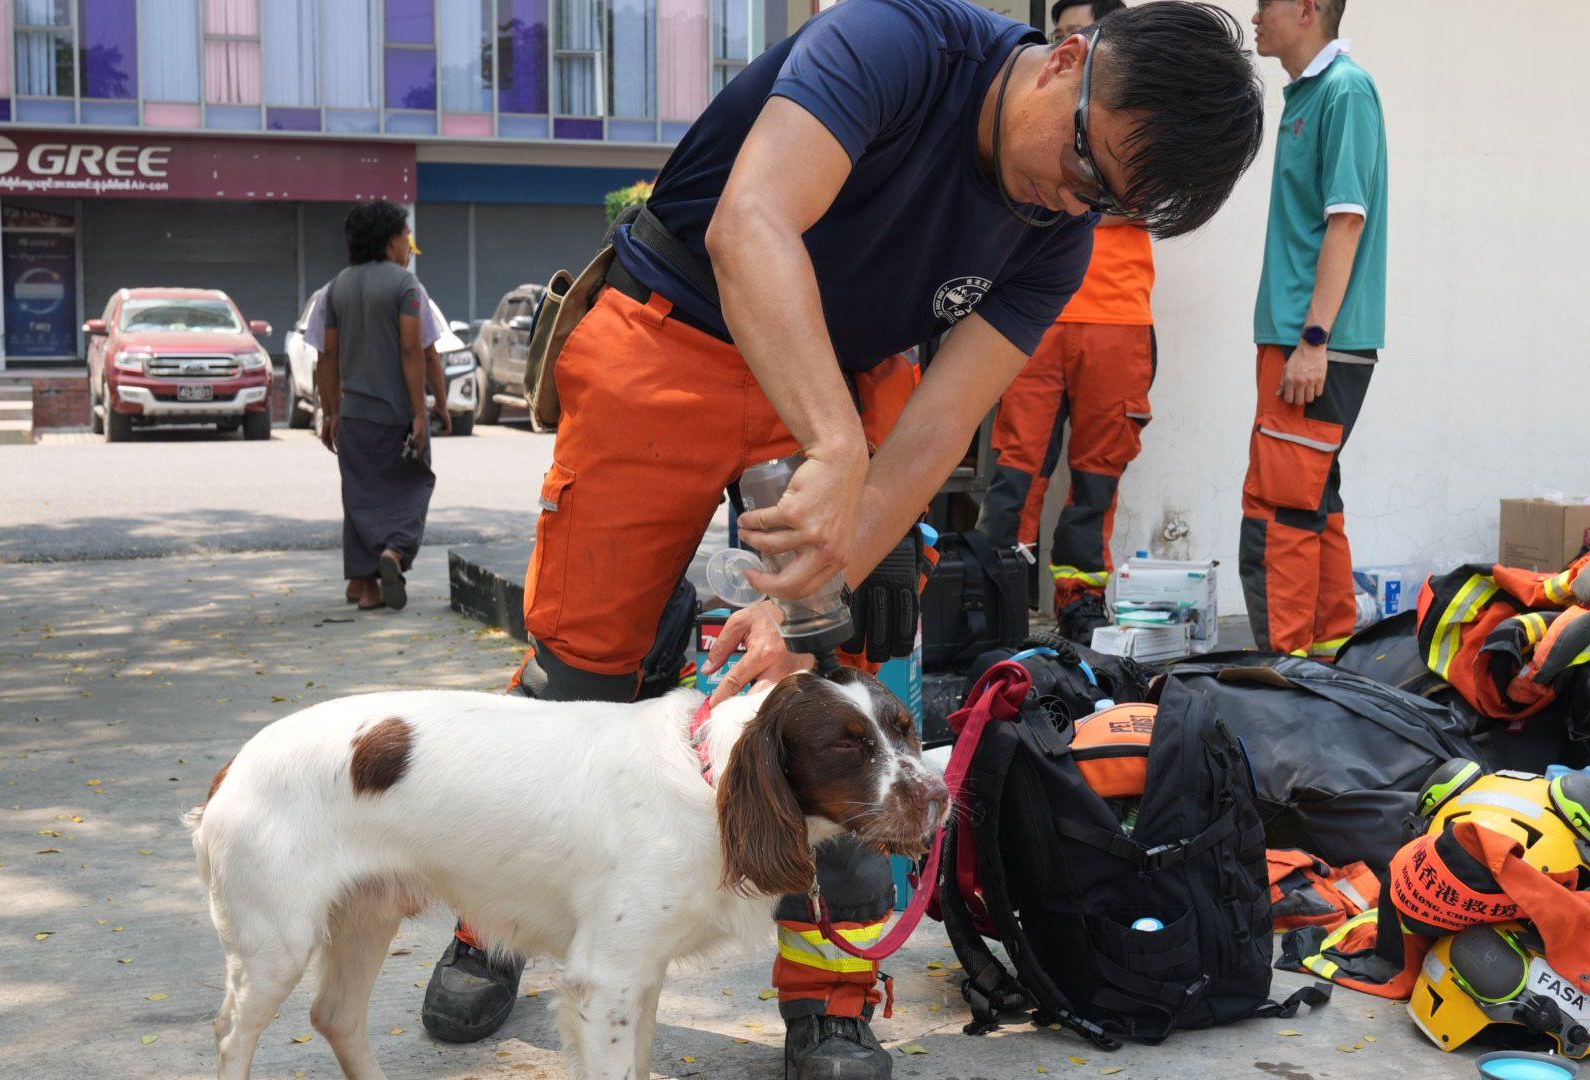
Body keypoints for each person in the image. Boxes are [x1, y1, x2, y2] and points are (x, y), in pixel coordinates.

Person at [422, 1, 1265, 1073]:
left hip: (850, 377)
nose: (1074, 202)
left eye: (1112, 204)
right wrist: (831, 445)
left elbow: (933, 433)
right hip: (674, 327)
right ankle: (490, 923)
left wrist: (795, 593)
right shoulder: (894, 45)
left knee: (848, 693)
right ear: (1065, 62)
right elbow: (748, 227)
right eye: (1086, 167)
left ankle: (830, 998)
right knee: (580, 668)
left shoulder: (1054, 241)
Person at [977, 0, 1156, 645]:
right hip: (1036, 315)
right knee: (1015, 470)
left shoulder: (1139, 107)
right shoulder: (1041, 105)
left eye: (1080, 32)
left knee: (1097, 477)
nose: (1067, 46)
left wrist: (1067, 192)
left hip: (1117, 322)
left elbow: (1140, 197)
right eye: (1061, 36)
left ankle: (1079, 611)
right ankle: (993, 606)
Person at [1241, 0, 1387, 657]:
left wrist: (1315, 340)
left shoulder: (1345, 91)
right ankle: (1329, 664)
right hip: (1299, 339)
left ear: (1304, 9)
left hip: (1315, 344)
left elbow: (1347, 219)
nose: (1253, 15)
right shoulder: (1308, 94)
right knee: (1313, 505)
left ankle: (1285, 680)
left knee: (1279, 511)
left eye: (1264, 3)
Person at [303, 238, 453, 604]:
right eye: (405, 239)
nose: (408, 249)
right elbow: (420, 351)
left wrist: (331, 410)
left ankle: (364, 586)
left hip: (354, 415)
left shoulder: (334, 287)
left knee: (359, 496)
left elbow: (326, 356)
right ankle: (396, 552)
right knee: (414, 484)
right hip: (399, 414)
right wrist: (430, 407)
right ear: (389, 241)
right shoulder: (407, 286)